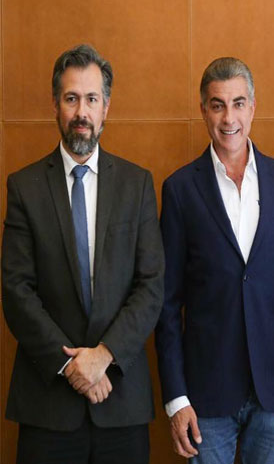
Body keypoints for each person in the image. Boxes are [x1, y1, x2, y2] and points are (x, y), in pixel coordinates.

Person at [1, 44, 165, 464]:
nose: (81, 112)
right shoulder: (24, 187)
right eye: (71, 98)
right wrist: (72, 367)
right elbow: (16, 291)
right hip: (48, 405)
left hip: (120, 400)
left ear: (106, 107)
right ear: (55, 105)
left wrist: (103, 356)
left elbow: (150, 286)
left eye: (92, 99)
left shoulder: (136, 185)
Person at [155, 57, 274, 464]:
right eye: (218, 105)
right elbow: (166, 304)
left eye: (238, 103)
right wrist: (176, 398)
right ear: (203, 110)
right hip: (205, 397)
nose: (229, 118)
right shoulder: (179, 190)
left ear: (253, 107)